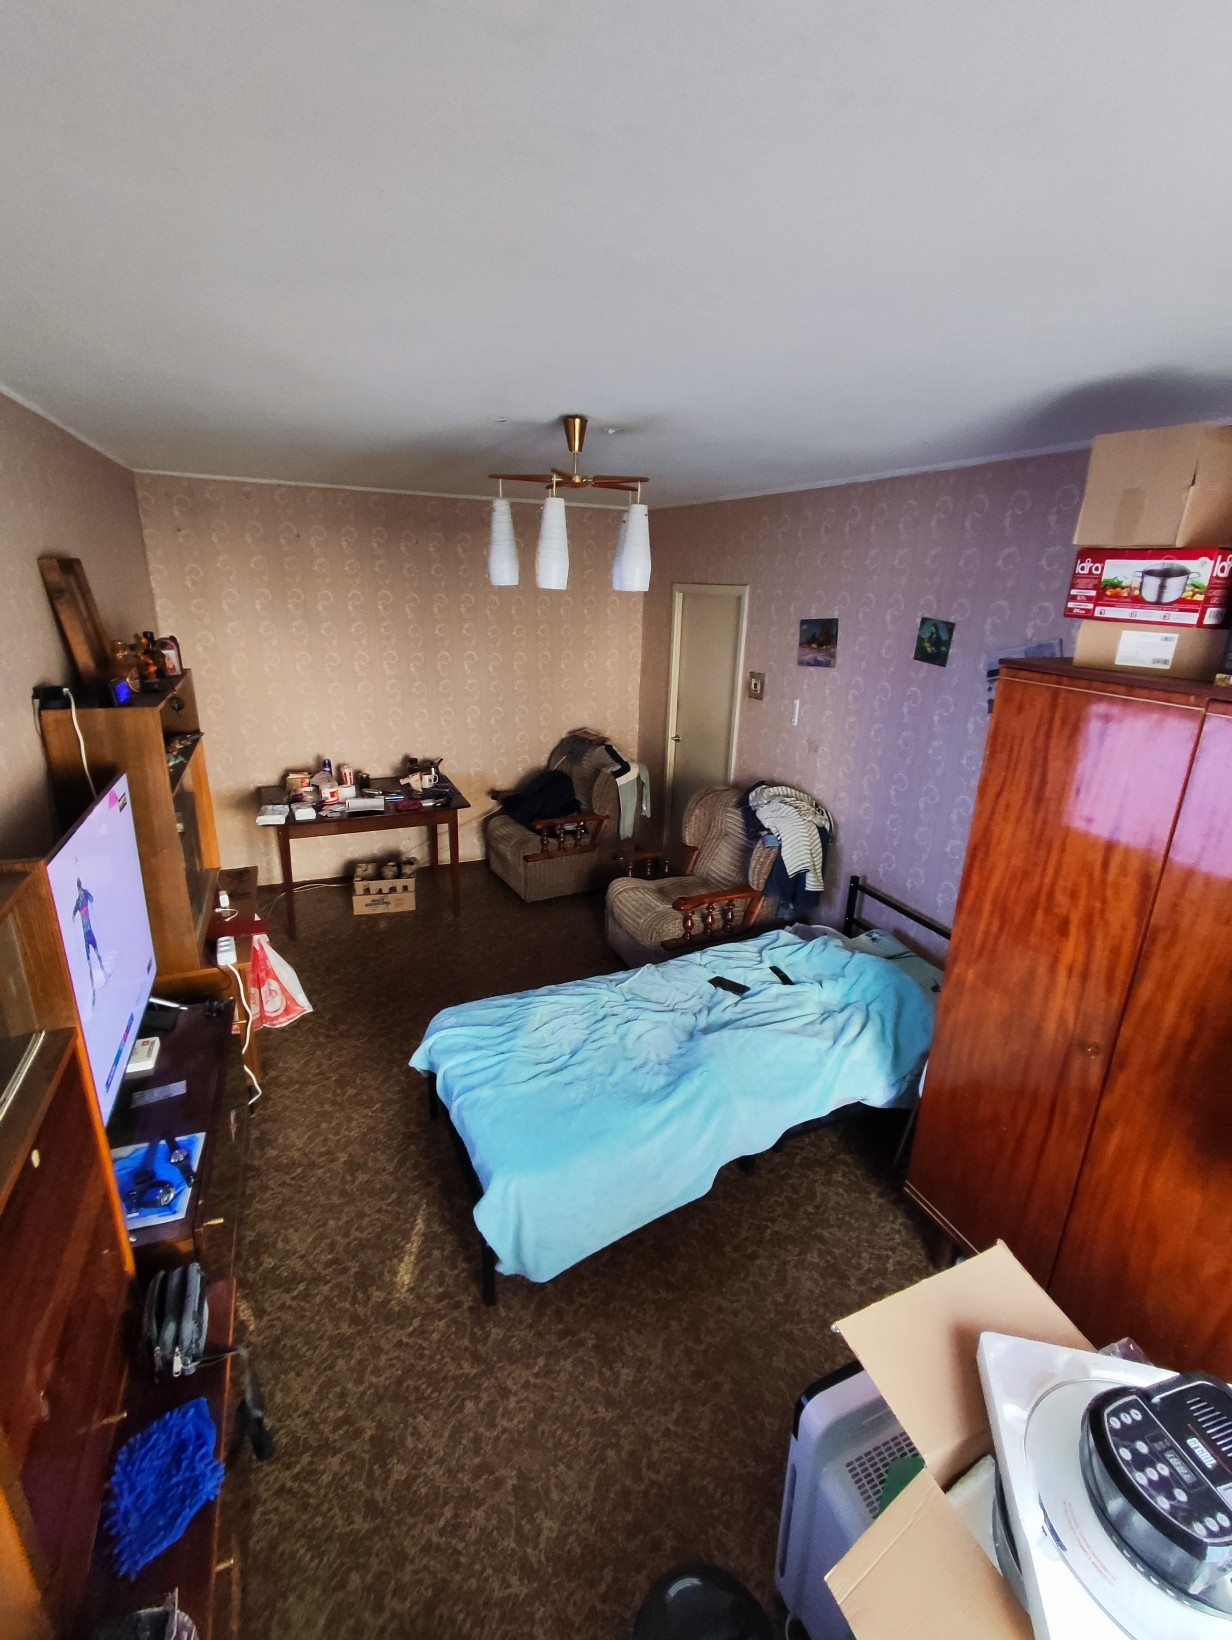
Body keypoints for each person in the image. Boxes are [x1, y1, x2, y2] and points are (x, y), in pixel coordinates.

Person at [73, 877, 106, 1000]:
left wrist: (88, 893)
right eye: (79, 887)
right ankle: (92, 984)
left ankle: (104, 972)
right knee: (89, 959)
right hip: (85, 934)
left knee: (97, 953)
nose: (80, 889)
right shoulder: (78, 901)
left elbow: (92, 899)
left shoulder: (84, 896)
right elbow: (73, 915)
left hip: (89, 932)